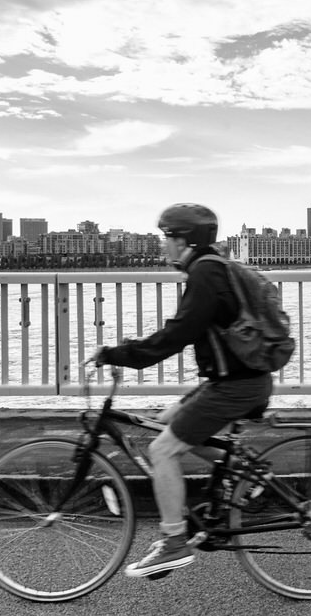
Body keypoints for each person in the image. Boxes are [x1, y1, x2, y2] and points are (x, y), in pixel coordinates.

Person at [94, 203, 273, 578]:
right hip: (235, 381)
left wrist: (119, 353)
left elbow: (175, 336)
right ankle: (246, 471)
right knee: (164, 426)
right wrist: (130, 350)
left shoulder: (206, 275)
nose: (164, 246)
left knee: (162, 448)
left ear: (185, 240)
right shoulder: (213, 267)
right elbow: (180, 332)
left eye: (168, 238)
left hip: (235, 387)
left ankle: (174, 543)